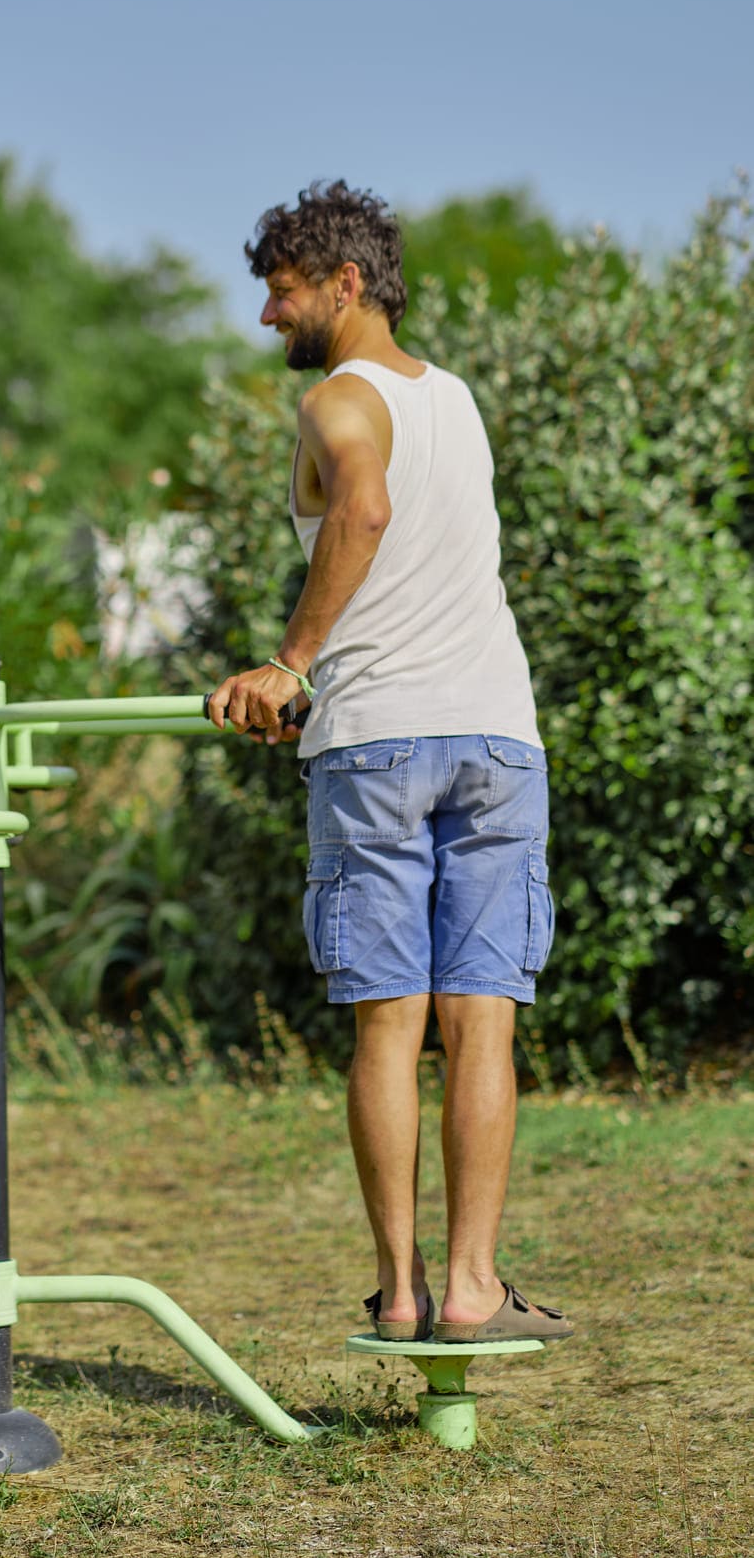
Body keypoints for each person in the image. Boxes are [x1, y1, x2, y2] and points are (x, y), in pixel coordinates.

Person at [208, 181, 570, 1347]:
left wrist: (288, 663)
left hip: (377, 738)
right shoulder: (456, 400)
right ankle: (474, 1284)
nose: (269, 313)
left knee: (384, 1025)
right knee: (482, 1019)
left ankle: (405, 1291)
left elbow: (360, 513)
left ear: (343, 285)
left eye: (281, 289)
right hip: (499, 735)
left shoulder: (337, 401)